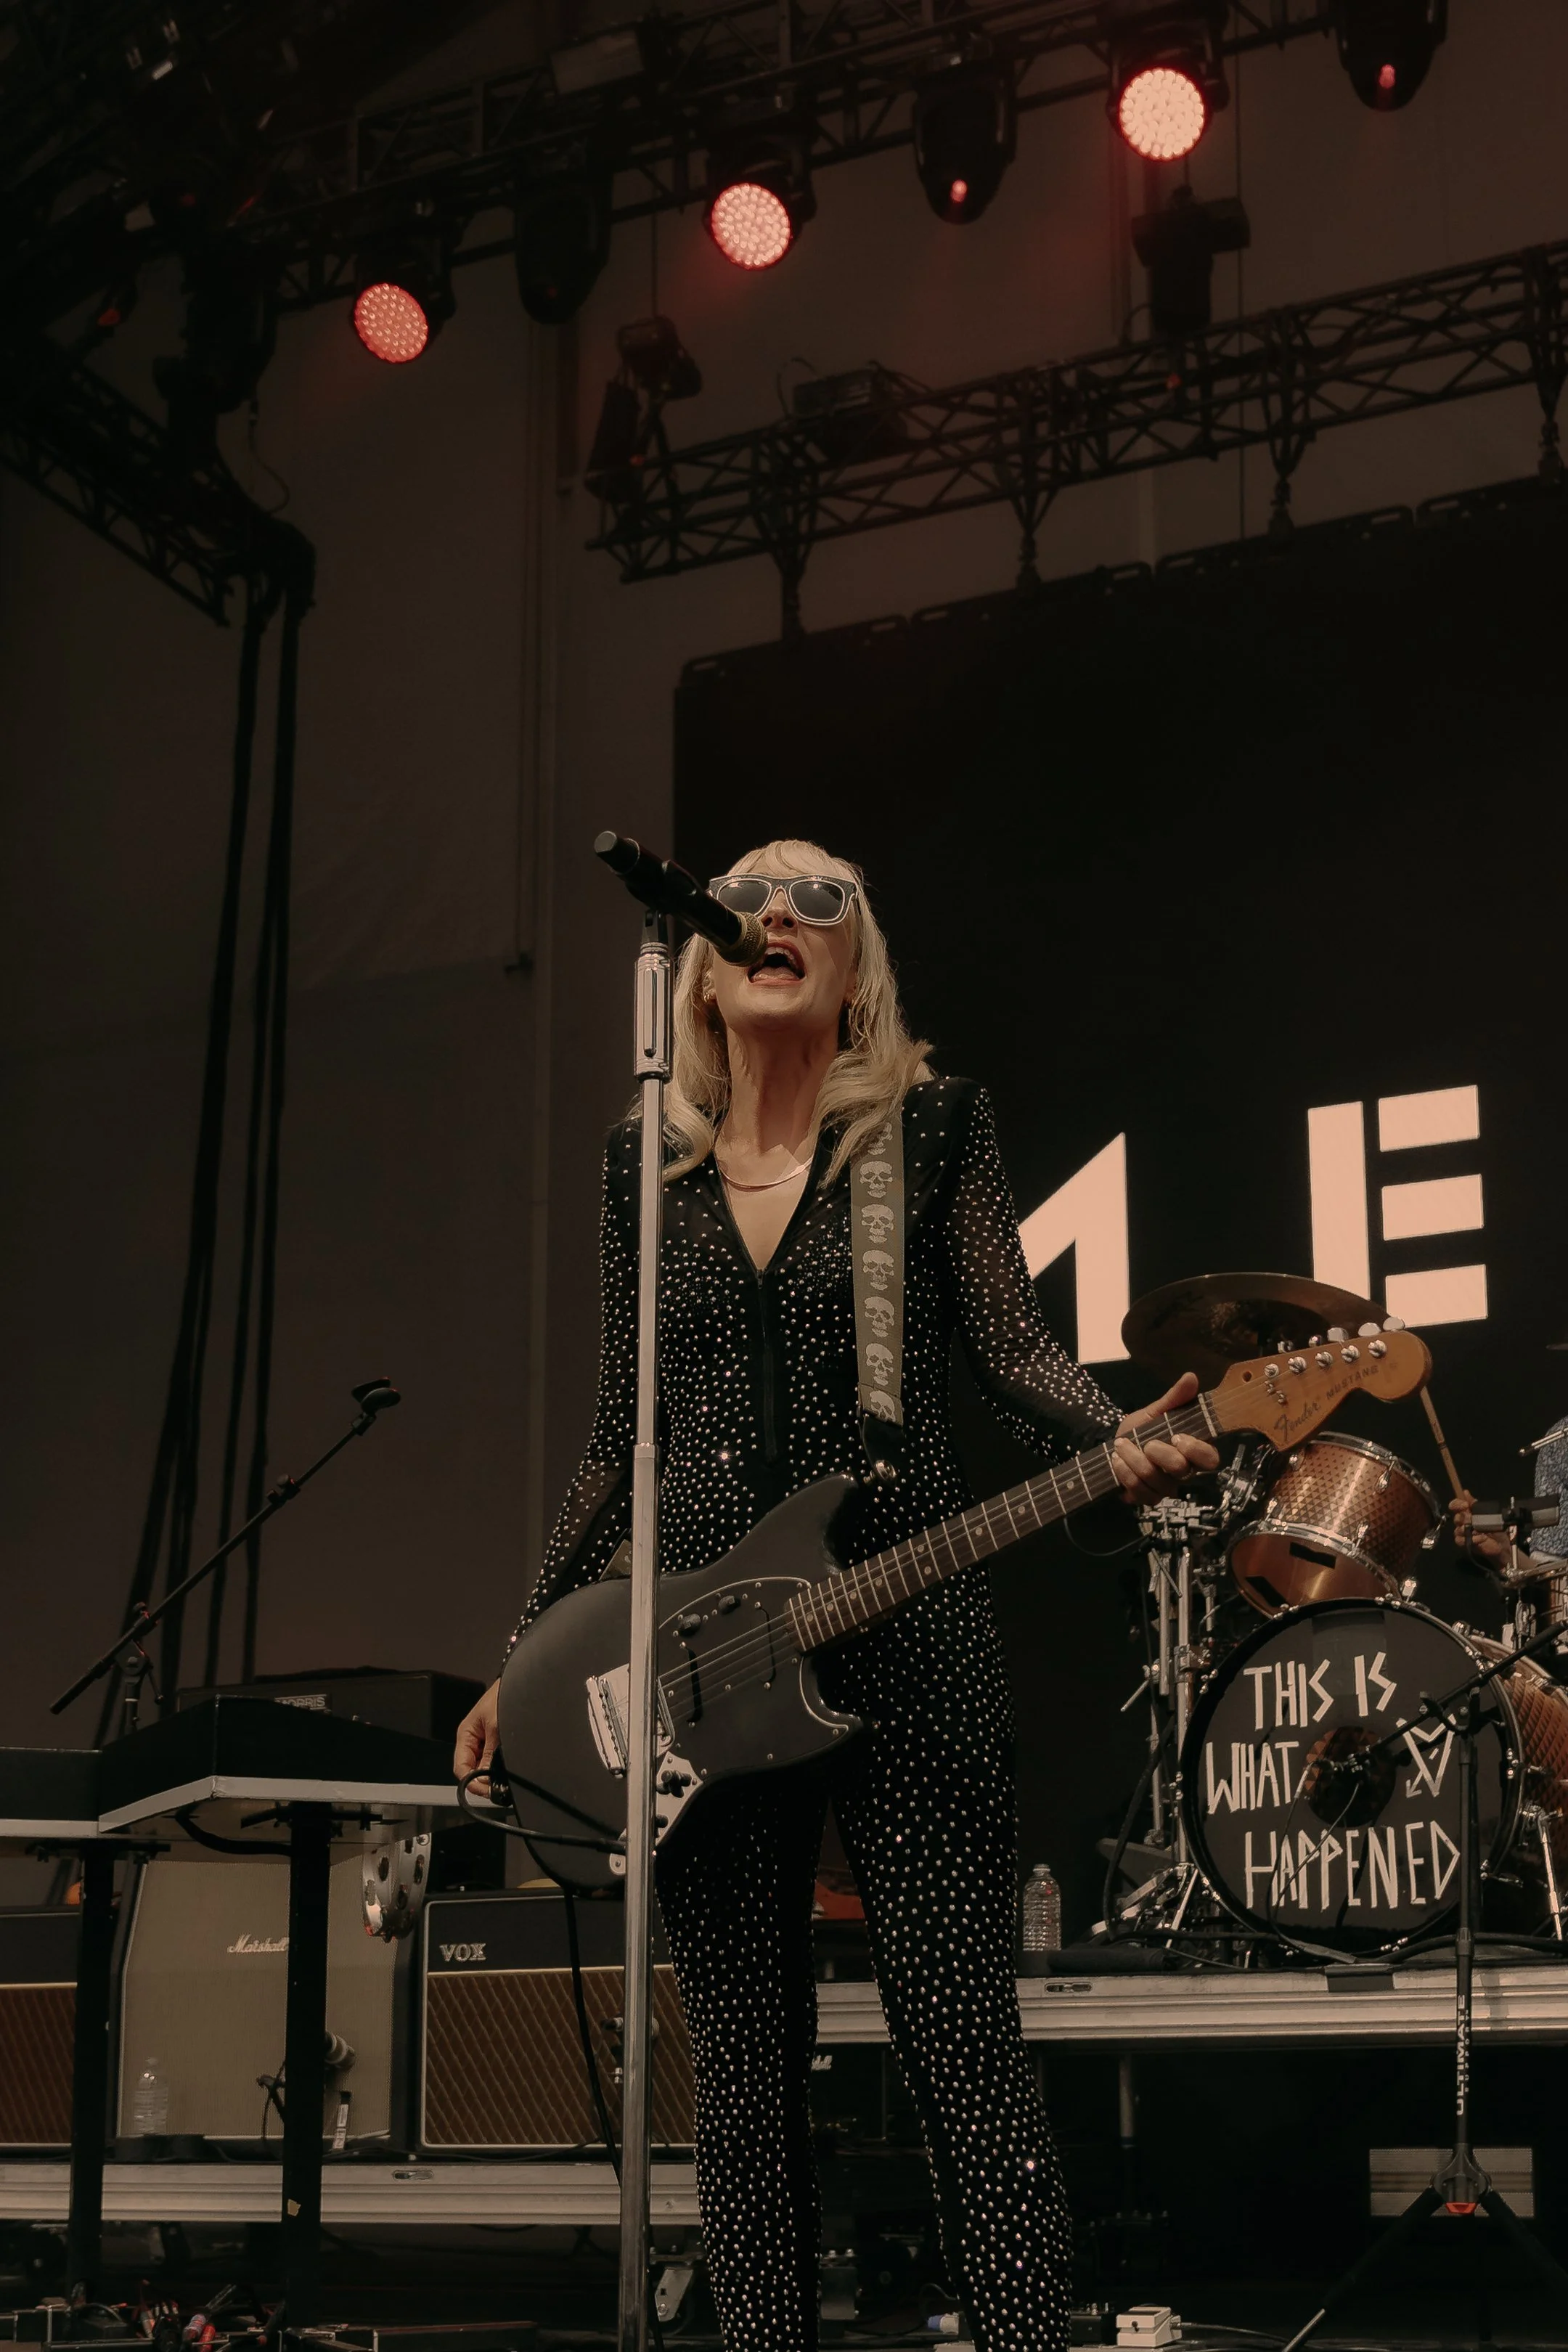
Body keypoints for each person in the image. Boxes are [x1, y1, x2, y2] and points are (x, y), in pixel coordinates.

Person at [454, 839, 1218, 2352]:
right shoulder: (643, 1162)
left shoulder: (927, 1130)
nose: (781, 914)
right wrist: (522, 1651)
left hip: (906, 1624)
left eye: (822, 899)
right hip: (697, 1664)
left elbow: (1011, 1345)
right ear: (703, 969)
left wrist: (1109, 1435)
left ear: (857, 967)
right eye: (754, 895)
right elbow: (619, 1435)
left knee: (964, 2047)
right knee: (741, 2078)